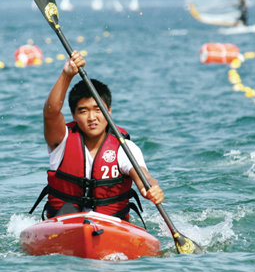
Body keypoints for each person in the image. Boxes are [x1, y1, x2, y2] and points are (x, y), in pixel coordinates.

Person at [30, 50, 163, 220]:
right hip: (65, 222)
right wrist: (67, 74)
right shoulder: (61, 142)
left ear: (109, 111)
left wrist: (151, 188)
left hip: (111, 223)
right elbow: (51, 113)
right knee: (68, 208)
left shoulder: (124, 148)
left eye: (98, 110)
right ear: (73, 115)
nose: (92, 118)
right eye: (83, 111)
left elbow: (144, 176)